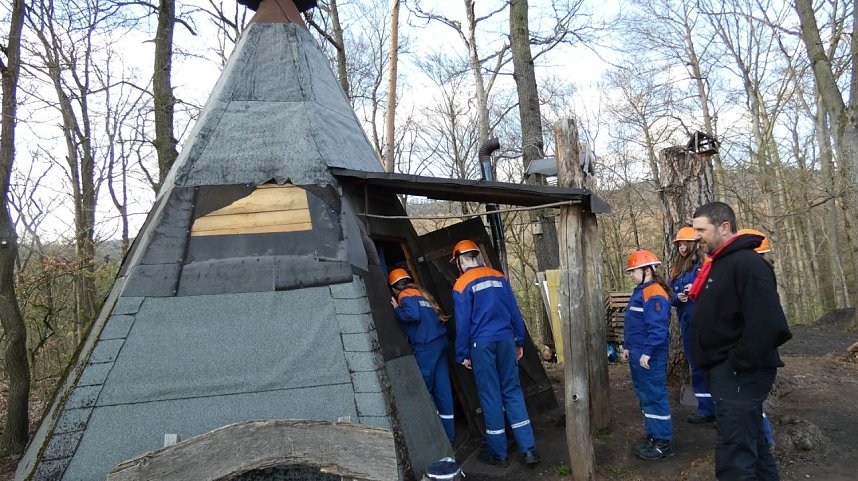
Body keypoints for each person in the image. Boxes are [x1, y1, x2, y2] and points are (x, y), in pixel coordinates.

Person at [689, 202, 792, 480]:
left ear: (724, 227)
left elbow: (769, 326)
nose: (696, 236)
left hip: (740, 374)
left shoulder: (747, 264)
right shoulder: (720, 264)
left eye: (701, 229)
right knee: (753, 445)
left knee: (734, 455)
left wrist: (734, 364)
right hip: (727, 374)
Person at [450, 240, 538, 467]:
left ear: (460, 259)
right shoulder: (500, 277)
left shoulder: (462, 283)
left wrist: (462, 353)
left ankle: (499, 454)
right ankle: (529, 450)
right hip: (507, 340)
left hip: (482, 344)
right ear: (476, 256)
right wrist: (519, 340)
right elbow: (514, 312)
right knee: (512, 391)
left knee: (490, 396)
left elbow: (463, 323)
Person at [388, 268, 455, 443]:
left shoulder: (403, 295)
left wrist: (396, 309)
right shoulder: (421, 293)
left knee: (425, 390)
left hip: (426, 347)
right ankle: (449, 435)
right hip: (440, 343)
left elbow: (413, 315)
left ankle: (435, 438)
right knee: (443, 390)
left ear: (394, 288)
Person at [622, 250, 675, 460]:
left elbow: (658, 329)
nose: (631, 275)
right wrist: (627, 346)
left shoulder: (654, 293)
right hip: (637, 353)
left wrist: (647, 353)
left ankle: (663, 442)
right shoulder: (640, 290)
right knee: (645, 397)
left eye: (633, 271)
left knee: (655, 396)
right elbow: (634, 323)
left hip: (649, 356)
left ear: (647, 270)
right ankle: (653, 435)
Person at [670, 226, 716, 424]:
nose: (682, 247)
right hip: (687, 323)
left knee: (713, 365)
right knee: (696, 366)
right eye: (679, 244)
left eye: (685, 243)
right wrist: (677, 297)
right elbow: (669, 294)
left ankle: (722, 409)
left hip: (705, 322)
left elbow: (715, 288)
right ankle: (706, 409)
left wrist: (698, 288)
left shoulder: (705, 263)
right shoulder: (677, 268)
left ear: (694, 244)